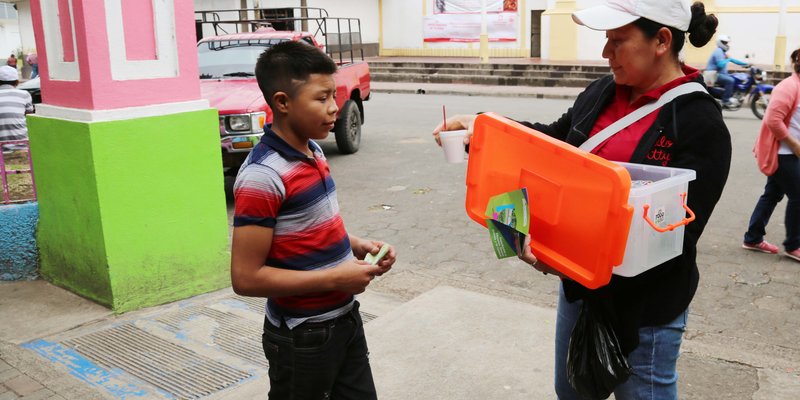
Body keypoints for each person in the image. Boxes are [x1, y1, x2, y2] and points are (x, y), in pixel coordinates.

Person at [432, 1, 730, 399]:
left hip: (646, 311)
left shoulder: (698, 122)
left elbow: (677, 238)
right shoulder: (603, 91)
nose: (605, 53)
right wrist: (484, 127)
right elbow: (553, 143)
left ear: (661, 40)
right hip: (580, 290)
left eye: (617, 41)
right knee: (571, 391)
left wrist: (578, 257)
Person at [230, 41, 396, 400]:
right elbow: (245, 278)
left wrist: (356, 243)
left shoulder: (313, 149)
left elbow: (311, 223)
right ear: (282, 102)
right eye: (321, 99)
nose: (334, 108)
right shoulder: (263, 176)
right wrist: (336, 277)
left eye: (333, 96)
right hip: (302, 336)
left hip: (345, 319)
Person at [743, 48, 800, 262]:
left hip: (790, 152)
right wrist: (795, 145)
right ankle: (793, 245)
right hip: (783, 152)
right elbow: (773, 120)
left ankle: (752, 238)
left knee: (773, 194)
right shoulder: (788, 87)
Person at [705, 34, 749, 108]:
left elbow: (733, 60)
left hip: (718, 74)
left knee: (735, 77)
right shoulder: (718, 51)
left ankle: (731, 95)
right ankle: (726, 101)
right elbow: (720, 65)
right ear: (720, 42)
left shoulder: (722, 52)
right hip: (712, 75)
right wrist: (729, 59)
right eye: (724, 43)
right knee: (730, 80)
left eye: (726, 43)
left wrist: (746, 64)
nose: (726, 44)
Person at [0, 65, 34, 153]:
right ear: (17, 82)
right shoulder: (24, 94)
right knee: (20, 166)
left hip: (1, 147)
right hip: (21, 145)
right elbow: (29, 116)